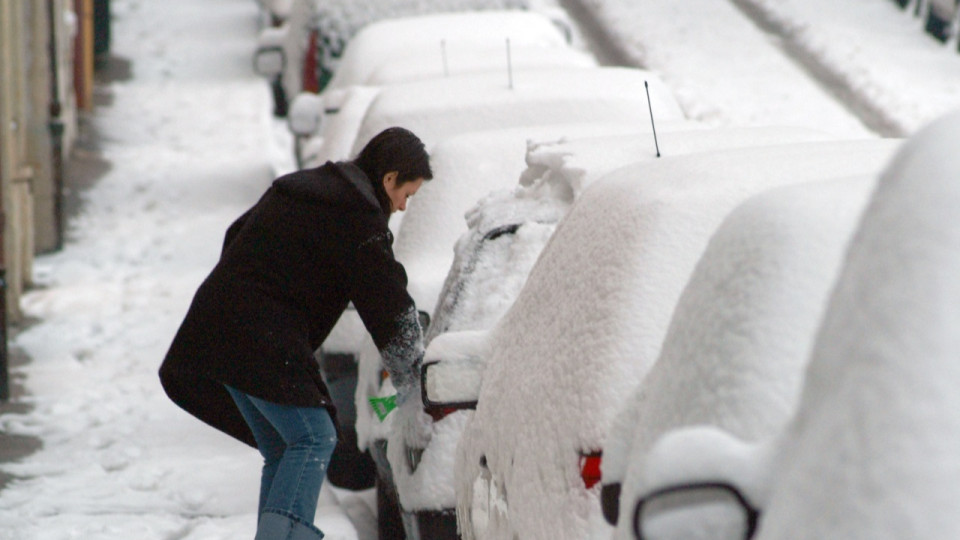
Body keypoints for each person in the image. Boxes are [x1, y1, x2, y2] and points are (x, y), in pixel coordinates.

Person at [159, 126, 432, 540]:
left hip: (220, 326)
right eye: (406, 194)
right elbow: (388, 300)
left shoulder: (307, 188)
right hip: (261, 333)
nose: (403, 205)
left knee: (285, 447)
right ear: (389, 178)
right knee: (314, 438)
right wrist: (414, 377)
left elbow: (236, 234)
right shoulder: (358, 215)